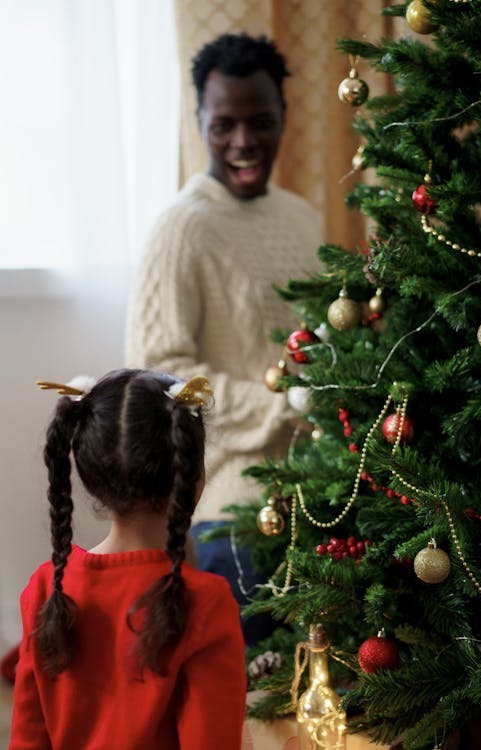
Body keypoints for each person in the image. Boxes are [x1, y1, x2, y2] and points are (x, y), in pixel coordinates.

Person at [126, 33, 324, 643]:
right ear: (200, 123)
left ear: (284, 118)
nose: (244, 142)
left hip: (325, 490)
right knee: (246, 691)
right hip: (232, 508)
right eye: (225, 125)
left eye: (260, 122)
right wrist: (276, 402)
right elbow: (157, 374)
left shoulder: (304, 217)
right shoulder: (180, 228)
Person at [9, 370, 246, 750]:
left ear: (90, 476)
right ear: (193, 477)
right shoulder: (206, 600)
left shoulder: (44, 586)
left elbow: (28, 739)